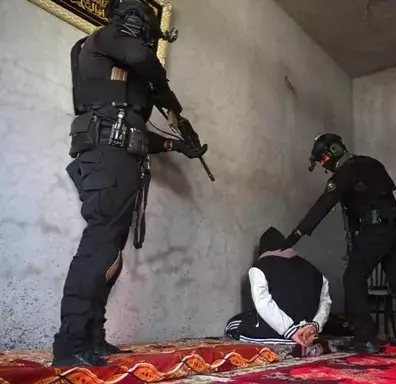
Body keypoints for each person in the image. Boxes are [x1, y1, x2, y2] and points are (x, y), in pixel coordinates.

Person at [52, 0, 205, 367]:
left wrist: (174, 144)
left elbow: (134, 131)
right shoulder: (106, 40)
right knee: (99, 247)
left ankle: (91, 337)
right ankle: (70, 343)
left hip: (119, 156)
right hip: (107, 156)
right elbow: (143, 60)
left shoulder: (125, 71)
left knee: (110, 255)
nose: (143, 32)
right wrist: (166, 94)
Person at [282, 133, 396, 353]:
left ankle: (365, 338)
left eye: (322, 159)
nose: (324, 165)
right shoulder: (372, 163)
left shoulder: (344, 172)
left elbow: (323, 205)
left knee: (353, 278)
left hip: (376, 229)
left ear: (334, 151)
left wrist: (296, 234)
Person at [225, 227, 332, 350]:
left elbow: (263, 304)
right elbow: (325, 302)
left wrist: (291, 331)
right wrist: (315, 326)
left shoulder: (259, 268)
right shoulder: (314, 270)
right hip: (308, 333)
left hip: (280, 334)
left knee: (232, 325)